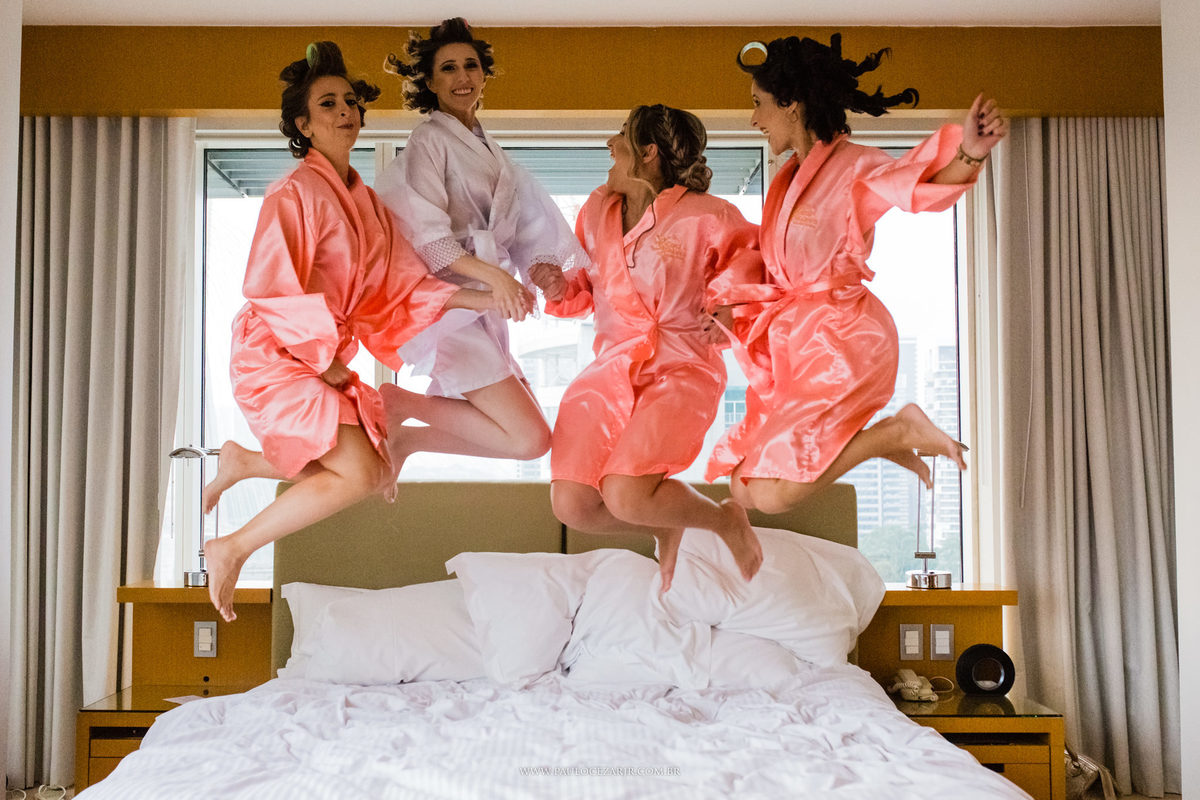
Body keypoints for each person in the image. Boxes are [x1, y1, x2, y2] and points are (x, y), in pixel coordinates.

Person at [201, 42, 494, 622]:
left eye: (350, 102)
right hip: (278, 350)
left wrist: (481, 297)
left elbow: (399, 283)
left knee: (372, 472)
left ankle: (245, 464)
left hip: (317, 351)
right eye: (328, 104)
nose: (345, 111)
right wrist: (325, 360)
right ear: (304, 125)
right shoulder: (293, 193)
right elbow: (272, 288)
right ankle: (231, 545)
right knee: (362, 472)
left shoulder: (368, 204)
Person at [705, 33, 1008, 515]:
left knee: (772, 494)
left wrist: (969, 153)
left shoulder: (854, 166)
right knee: (743, 484)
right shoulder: (789, 176)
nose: (753, 119)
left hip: (842, 338)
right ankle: (884, 439)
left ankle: (896, 432)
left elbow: (914, 183)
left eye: (758, 103)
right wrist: (734, 309)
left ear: (790, 104)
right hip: (799, 342)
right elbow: (774, 271)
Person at [530, 105, 765, 590]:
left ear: (648, 152)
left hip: (681, 367)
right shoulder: (597, 210)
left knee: (626, 493)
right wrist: (558, 287)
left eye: (621, 135)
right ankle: (665, 522)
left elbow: (752, 262)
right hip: (612, 369)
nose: (609, 145)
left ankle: (723, 520)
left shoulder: (708, 215)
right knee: (572, 504)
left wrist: (731, 309)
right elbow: (585, 289)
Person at [374, 18, 586, 469]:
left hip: (482, 305)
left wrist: (542, 269)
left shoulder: (492, 150)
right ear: (430, 82)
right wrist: (497, 280)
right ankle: (400, 403)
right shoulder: (429, 140)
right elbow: (428, 238)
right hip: (448, 307)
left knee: (530, 437)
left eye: (470, 65)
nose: (462, 77)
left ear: (484, 75)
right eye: (448, 68)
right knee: (530, 439)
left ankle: (408, 439)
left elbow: (523, 223)